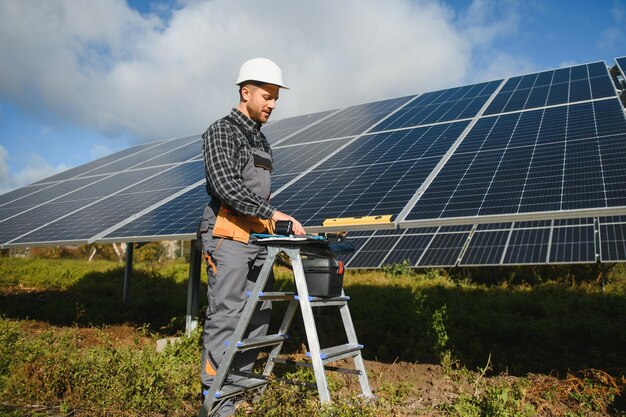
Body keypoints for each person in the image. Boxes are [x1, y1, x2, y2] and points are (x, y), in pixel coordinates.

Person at [198, 57, 305, 416]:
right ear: (246, 92)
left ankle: (238, 384)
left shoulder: (262, 141)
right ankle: (216, 401)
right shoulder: (221, 131)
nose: (273, 104)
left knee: (259, 315)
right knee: (226, 314)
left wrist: (278, 223)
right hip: (227, 233)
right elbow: (225, 185)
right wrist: (272, 215)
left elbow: (262, 198)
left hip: (256, 236)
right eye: (267, 96)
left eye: (276, 98)